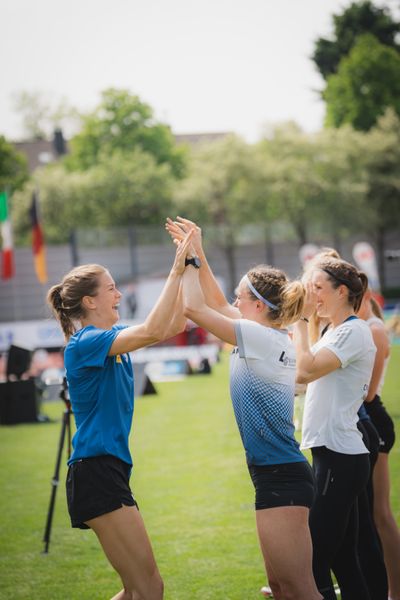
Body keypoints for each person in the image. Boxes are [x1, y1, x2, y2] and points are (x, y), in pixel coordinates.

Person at [166, 216, 322, 600]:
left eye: (241, 296)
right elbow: (217, 302)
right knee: (283, 588)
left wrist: (185, 262)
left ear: (257, 305)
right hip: (273, 472)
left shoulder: (258, 336)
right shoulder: (263, 332)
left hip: (281, 475)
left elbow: (196, 308)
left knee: (300, 589)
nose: (233, 302)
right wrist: (198, 253)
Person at [46, 230, 193, 600]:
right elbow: (157, 327)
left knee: (136, 591)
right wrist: (173, 273)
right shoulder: (87, 342)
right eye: (111, 289)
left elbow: (173, 325)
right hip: (96, 472)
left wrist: (190, 266)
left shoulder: (112, 337)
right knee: (148, 589)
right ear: (91, 301)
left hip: (105, 470)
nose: (119, 295)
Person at [294, 257, 377, 600]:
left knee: (313, 561)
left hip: (340, 456)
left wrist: (299, 320)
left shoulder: (353, 332)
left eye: (317, 288)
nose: (312, 296)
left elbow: (305, 370)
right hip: (336, 454)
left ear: (341, 292)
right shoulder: (334, 330)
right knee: (344, 561)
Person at [358, 289, 400, 600]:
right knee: (369, 514)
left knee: (380, 513)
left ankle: (395, 590)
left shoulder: (373, 329)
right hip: (367, 421)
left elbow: (367, 394)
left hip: (374, 420)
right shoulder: (362, 327)